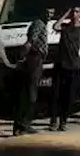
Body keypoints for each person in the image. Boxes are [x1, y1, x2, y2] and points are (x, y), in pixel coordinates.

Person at [49, 7, 80, 131]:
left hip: (74, 65)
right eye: (73, 12)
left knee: (68, 95)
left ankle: (63, 121)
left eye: (77, 11)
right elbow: (55, 26)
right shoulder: (65, 27)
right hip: (61, 64)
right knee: (56, 94)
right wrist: (66, 14)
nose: (74, 14)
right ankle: (53, 120)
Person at [13, 7, 52, 136]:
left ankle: (21, 125)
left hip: (36, 59)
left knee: (29, 93)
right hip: (33, 59)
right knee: (31, 94)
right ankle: (23, 124)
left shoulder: (42, 24)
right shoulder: (38, 24)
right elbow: (30, 41)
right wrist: (22, 57)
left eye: (52, 14)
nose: (50, 16)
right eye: (48, 13)